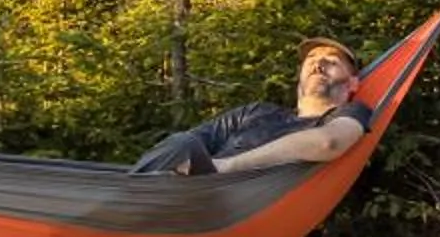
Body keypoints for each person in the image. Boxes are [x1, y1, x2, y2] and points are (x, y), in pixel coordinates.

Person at [132, 38, 374, 175]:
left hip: (236, 201)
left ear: (353, 83)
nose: (318, 65)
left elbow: (328, 143)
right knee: (183, 143)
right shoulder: (256, 111)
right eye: (310, 60)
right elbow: (189, 142)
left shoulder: (349, 113)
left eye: (331, 62)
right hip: (188, 191)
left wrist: (225, 166)